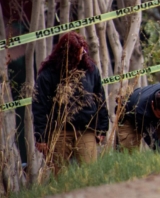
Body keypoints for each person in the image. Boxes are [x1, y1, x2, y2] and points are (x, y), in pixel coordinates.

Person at [32, 31, 109, 173]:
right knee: (60, 175)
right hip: (59, 131)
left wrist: (102, 127)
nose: (81, 57)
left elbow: (100, 98)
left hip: (86, 129)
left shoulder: (90, 70)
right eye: (77, 54)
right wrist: (41, 137)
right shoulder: (48, 74)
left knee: (90, 172)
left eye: (83, 52)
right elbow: (39, 106)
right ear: (66, 55)